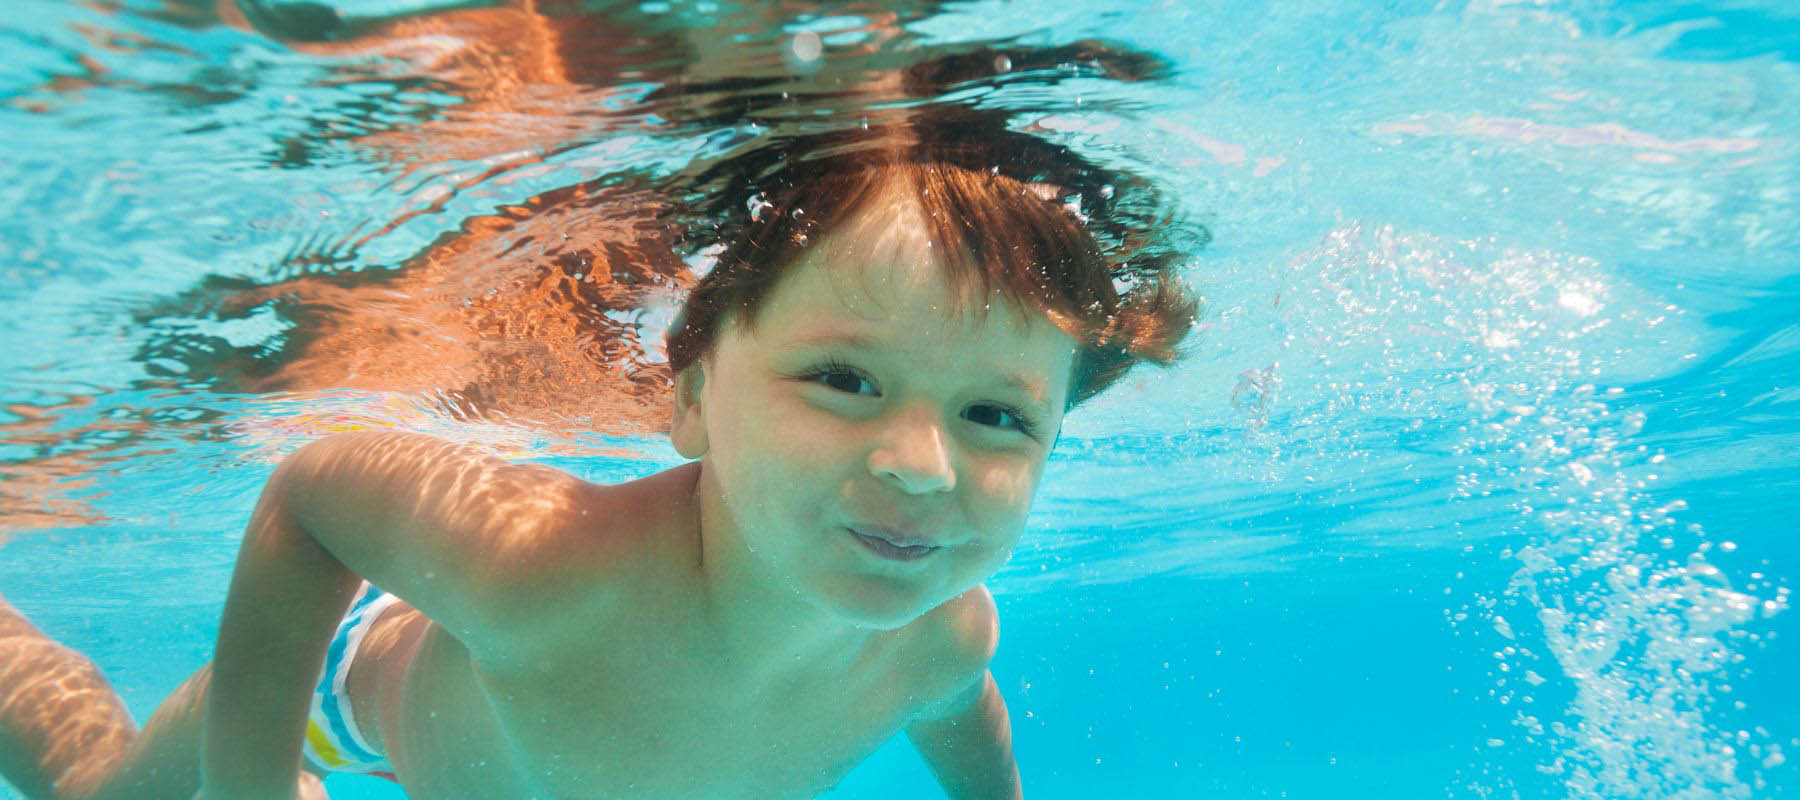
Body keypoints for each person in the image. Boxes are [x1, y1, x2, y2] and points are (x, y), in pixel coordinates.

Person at [0, 125, 1198, 798]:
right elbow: (313, 491)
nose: (924, 463)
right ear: (688, 397)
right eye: (843, 377)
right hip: (348, 666)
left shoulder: (945, 631)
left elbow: (960, 709)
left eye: (998, 415)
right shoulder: (540, 567)